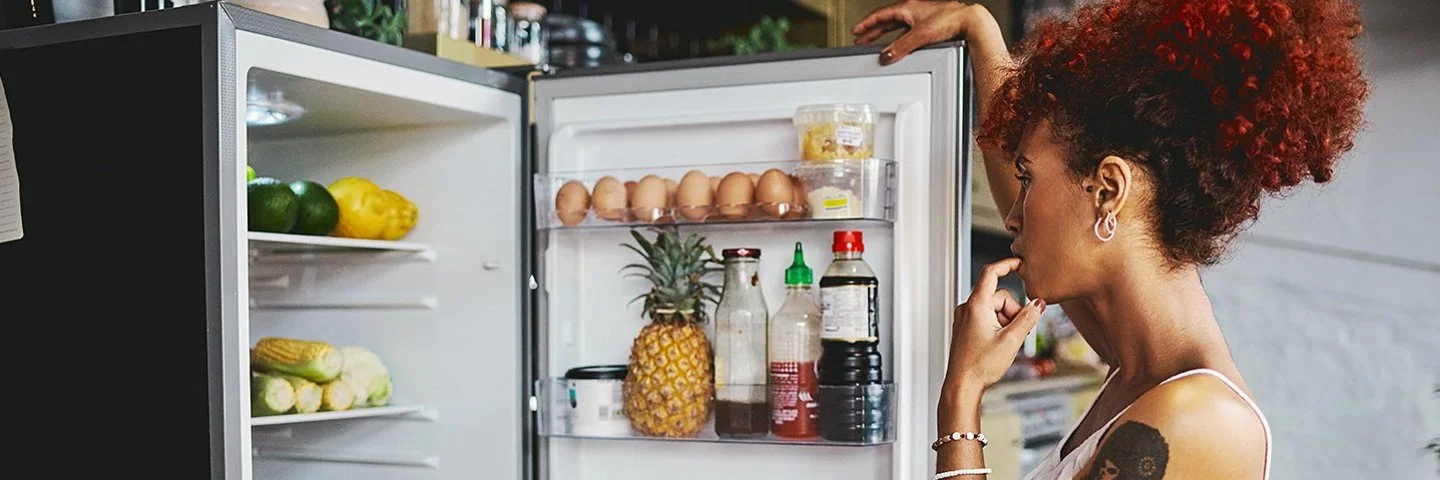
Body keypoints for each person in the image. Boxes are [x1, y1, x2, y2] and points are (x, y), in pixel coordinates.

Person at [853, 0, 1369, 478]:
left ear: (1108, 191)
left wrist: (961, 395)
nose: (1011, 217)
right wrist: (979, 29)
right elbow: (1024, 179)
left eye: (1029, 180)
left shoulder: (1195, 420)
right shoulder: (1134, 367)